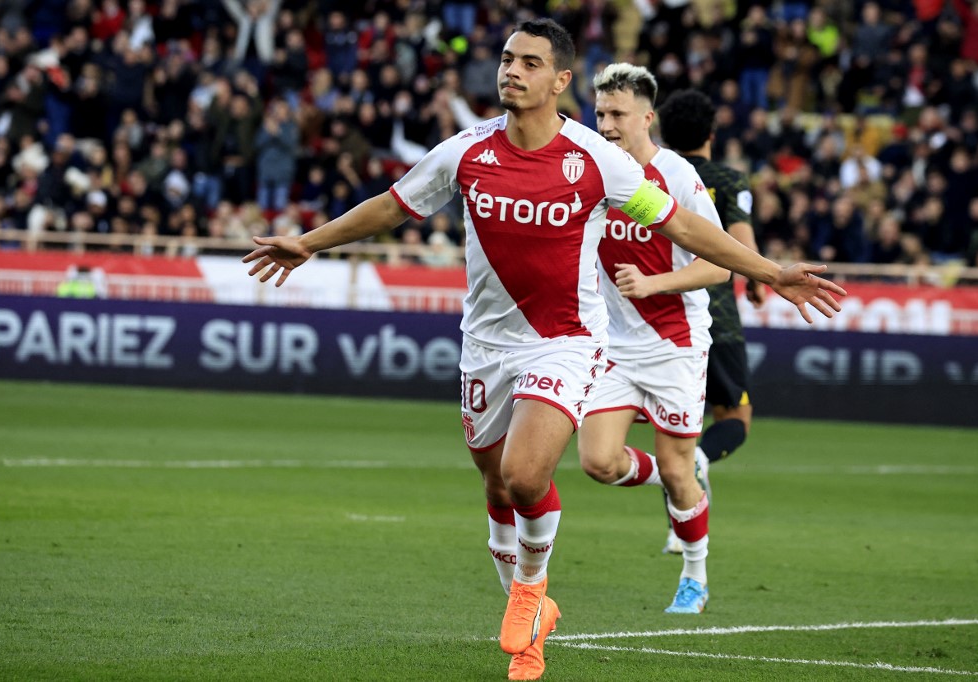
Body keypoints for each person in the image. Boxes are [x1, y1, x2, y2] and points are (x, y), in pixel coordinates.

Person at [242, 19, 845, 681]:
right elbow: (391, 207)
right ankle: (533, 623)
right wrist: (308, 242)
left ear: (560, 80)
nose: (511, 71)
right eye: (506, 59)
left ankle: (531, 594)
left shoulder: (597, 160)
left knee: (529, 476)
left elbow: (680, 224)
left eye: (530, 62)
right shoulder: (466, 152)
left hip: (566, 342)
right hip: (485, 348)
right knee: (496, 486)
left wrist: (767, 271)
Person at [578, 63, 728, 615]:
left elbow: (720, 268)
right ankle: (675, 480)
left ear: (647, 117)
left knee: (676, 467)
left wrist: (653, 283)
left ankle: (694, 577)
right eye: (599, 113)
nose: (607, 124)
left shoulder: (680, 177)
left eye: (617, 114)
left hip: (675, 344)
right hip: (613, 347)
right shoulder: (593, 175)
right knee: (597, 462)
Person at [657, 88, 768, 554]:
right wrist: (761, 280)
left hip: (659, 316)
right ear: (712, 132)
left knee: (673, 432)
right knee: (733, 418)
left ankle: (677, 532)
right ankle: (701, 461)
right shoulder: (727, 178)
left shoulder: (655, 175)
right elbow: (739, 244)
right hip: (714, 317)